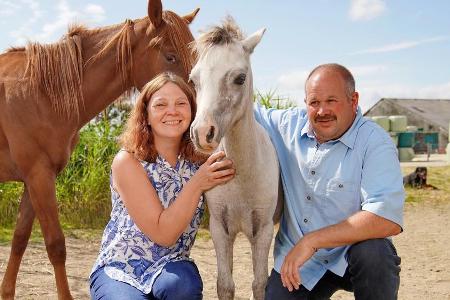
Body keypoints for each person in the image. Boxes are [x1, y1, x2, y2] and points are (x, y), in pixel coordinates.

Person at [254, 63, 404, 300]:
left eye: (331, 101)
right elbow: (240, 106)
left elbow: (386, 218)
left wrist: (312, 241)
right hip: (300, 264)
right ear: (305, 103)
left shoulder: (375, 142)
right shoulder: (287, 126)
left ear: (353, 100)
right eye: (314, 102)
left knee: (375, 253)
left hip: (351, 253)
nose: (322, 110)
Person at [89, 72, 235, 300]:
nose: (172, 111)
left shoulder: (201, 162)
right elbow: (163, 234)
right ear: (145, 115)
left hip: (172, 265)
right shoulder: (128, 161)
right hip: (121, 267)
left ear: (193, 112)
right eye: (160, 104)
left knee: (182, 286)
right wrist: (198, 184)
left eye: (181, 103)